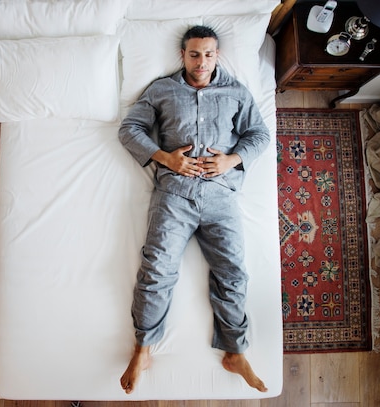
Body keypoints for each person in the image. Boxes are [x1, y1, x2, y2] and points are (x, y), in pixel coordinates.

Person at [117, 25, 270, 394]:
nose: (202, 62)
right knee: (156, 269)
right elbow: (129, 129)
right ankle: (143, 348)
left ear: (217, 55)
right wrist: (165, 157)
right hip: (174, 194)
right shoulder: (161, 90)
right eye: (194, 54)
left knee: (232, 271)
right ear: (183, 55)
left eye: (208, 54)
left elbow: (259, 135)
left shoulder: (236, 91)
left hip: (220, 194)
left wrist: (231, 160)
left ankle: (235, 351)